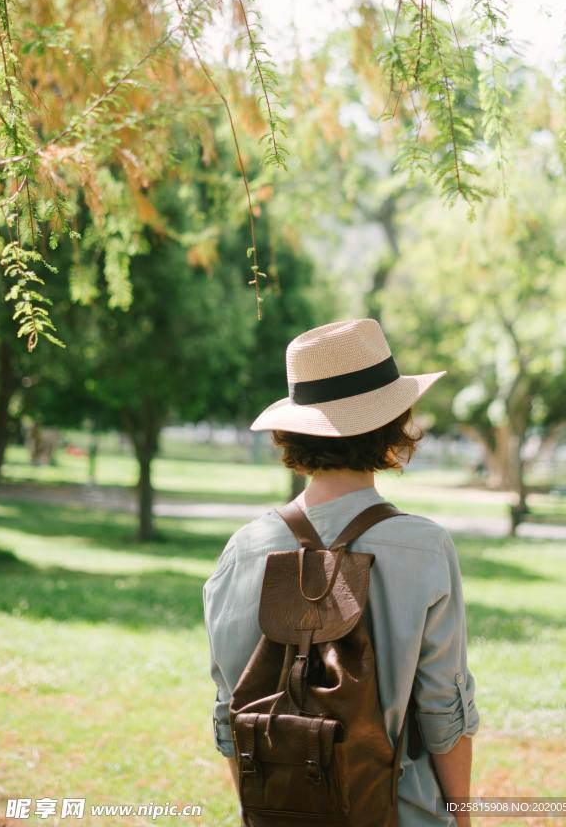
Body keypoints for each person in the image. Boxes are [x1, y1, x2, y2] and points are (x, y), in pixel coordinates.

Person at [203, 318, 480, 826]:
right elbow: (443, 715)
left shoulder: (243, 551)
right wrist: (461, 819)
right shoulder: (425, 549)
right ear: (391, 423)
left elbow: (231, 717)